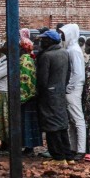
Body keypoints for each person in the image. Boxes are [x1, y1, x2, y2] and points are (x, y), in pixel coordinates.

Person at [35, 29, 73, 161]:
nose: (41, 42)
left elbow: (42, 80)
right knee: (62, 125)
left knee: (52, 127)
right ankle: (67, 155)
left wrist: (39, 93)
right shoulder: (64, 53)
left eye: (43, 40)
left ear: (50, 41)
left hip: (48, 96)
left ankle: (58, 157)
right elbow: (68, 74)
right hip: (60, 93)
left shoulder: (46, 56)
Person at [59, 23, 87, 159]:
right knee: (71, 120)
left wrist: (69, 87)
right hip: (72, 86)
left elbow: (78, 73)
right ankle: (73, 147)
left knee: (77, 118)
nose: (62, 36)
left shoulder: (74, 50)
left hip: (74, 88)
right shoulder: (71, 48)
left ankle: (81, 149)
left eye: (64, 34)